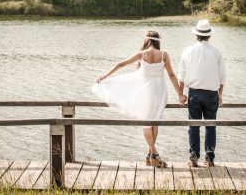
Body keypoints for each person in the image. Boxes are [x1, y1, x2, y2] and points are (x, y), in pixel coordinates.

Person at [92, 30, 187, 167]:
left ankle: (153, 153)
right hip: (160, 91)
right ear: (158, 41)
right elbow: (172, 75)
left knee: (147, 123)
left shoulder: (141, 54)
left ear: (146, 41)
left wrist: (105, 76)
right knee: (155, 122)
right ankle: (151, 155)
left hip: (146, 91)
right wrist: (180, 94)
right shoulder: (164, 55)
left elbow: (121, 64)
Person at [178, 19, 225, 167]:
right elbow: (222, 77)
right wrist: (220, 94)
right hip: (212, 94)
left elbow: (182, 76)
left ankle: (193, 159)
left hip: (194, 94)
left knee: (194, 126)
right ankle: (210, 159)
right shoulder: (217, 52)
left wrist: (181, 94)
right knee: (211, 126)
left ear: (196, 35)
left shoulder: (187, 51)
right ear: (209, 35)